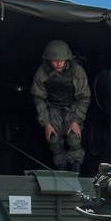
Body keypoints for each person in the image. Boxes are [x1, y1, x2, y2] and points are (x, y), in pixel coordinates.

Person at [31, 39, 91, 172]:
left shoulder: (77, 71)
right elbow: (39, 99)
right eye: (54, 60)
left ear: (67, 59)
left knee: (74, 138)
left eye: (61, 60)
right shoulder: (42, 72)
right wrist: (46, 124)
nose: (58, 63)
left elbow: (84, 97)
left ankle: (76, 166)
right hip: (53, 107)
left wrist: (76, 121)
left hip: (73, 106)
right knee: (53, 139)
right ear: (48, 60)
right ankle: (61, 167)